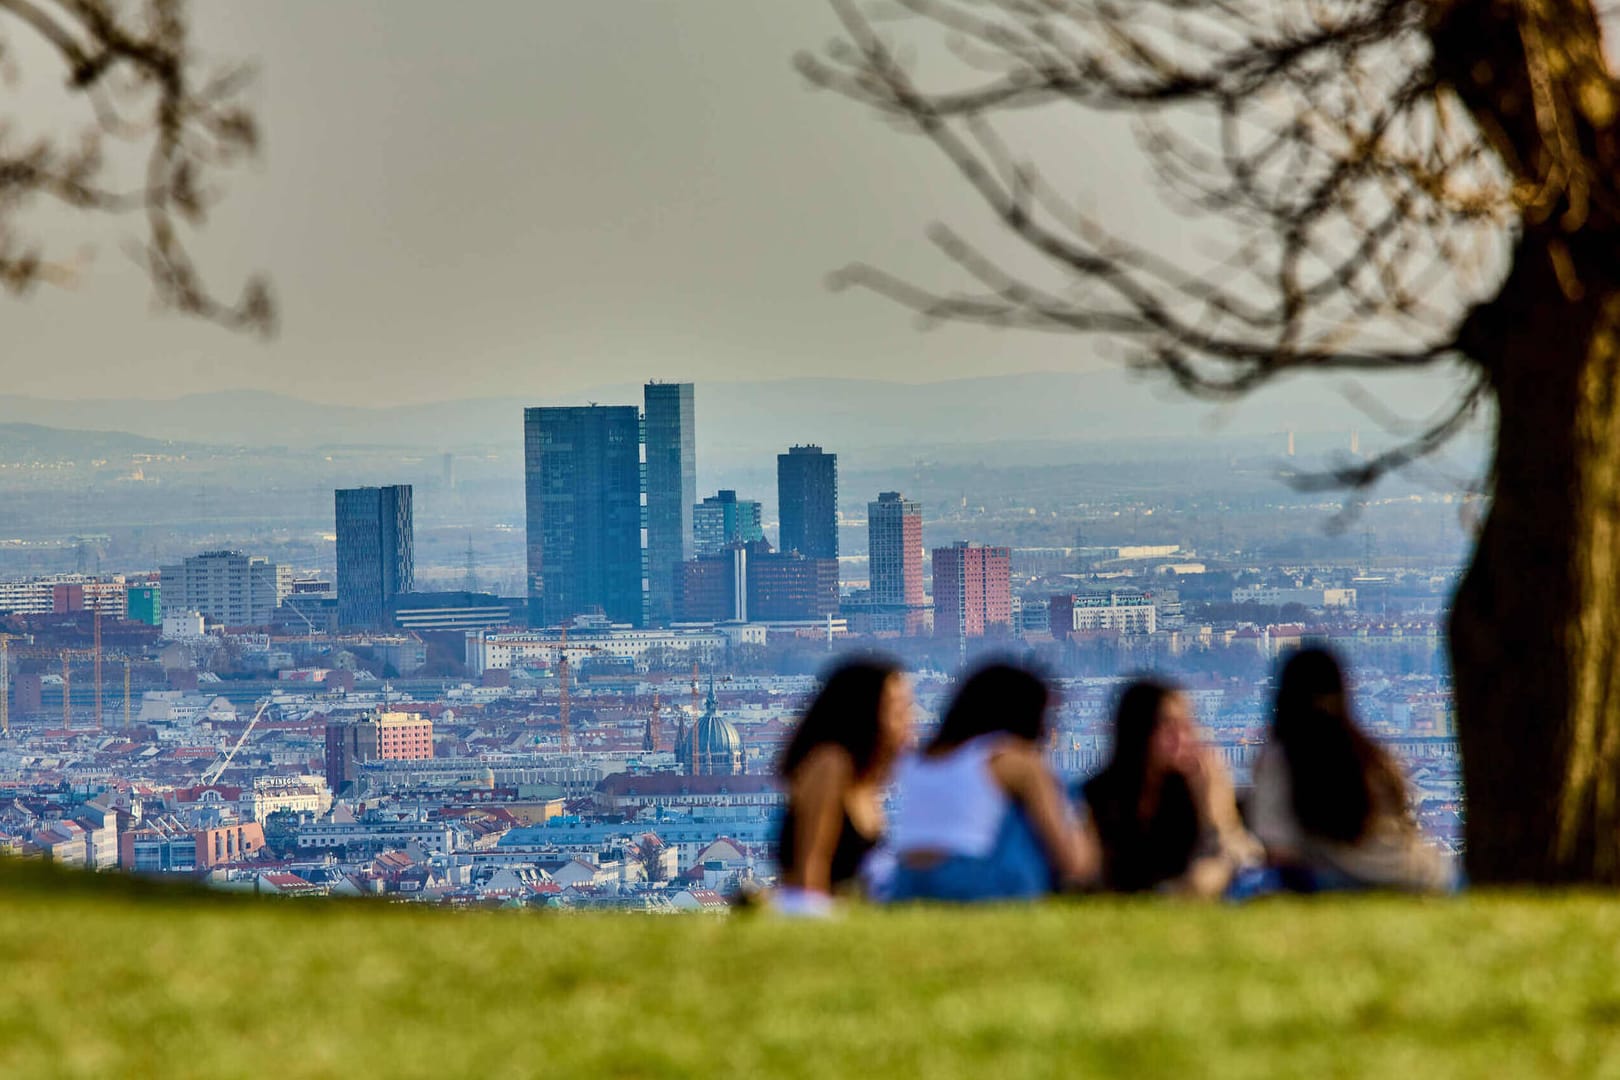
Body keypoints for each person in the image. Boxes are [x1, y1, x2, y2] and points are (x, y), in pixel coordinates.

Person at [879, 662, 1097, 903]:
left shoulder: (918, 759)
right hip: (974, 882)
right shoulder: (1013, 761)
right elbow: (1075, 863)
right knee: (1022, 816)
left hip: (906, 882)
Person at [1249, 648, 1452, 893]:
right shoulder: (1374, 756)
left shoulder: (1280, 762)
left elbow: (1280, 852)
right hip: (1418, 875)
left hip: (1339, 882)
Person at [1079, 679, 1261, 896]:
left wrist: (1213, 805)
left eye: (1186, 726)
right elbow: (1088, 871)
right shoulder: (1103, 795)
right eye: (1168, 726)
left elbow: (1240, 857)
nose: (1181, 738)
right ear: (1139, 730)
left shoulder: (1195, 787)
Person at [773, 658, 913, 915]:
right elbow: (811, 866)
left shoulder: (866, 779)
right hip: (816, 916)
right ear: (865, 710)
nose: (908, 719)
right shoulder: (830, 764)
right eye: (896, 709)